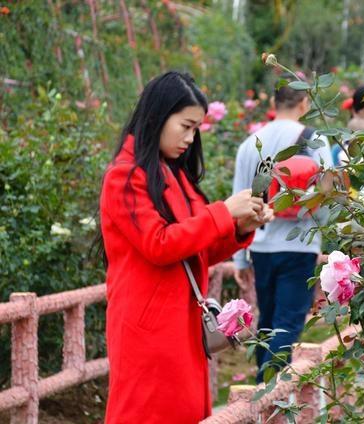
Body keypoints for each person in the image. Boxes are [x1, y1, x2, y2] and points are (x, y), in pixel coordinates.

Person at [100, 71, 272, 423]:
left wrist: (240, 227)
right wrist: (223, 212)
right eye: (186, 126)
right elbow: (159, 244)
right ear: (157, 117)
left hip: (181, 325)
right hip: (148, 331)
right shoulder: (125, 176)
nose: (191, 139)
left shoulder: (174, 174)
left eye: (196, 129)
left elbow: (196, 250)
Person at [232, 80, 333, 382]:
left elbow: (238, 199)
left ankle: (260, 392)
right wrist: (319, 227)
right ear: (304, 103)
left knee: (267, 321)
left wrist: (239, 258)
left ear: (274, 105)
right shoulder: (315, 140)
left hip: (260, 244)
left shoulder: (251, 143)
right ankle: (269, 394)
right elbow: (327, 191)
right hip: (299, 244)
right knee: (287, 322)